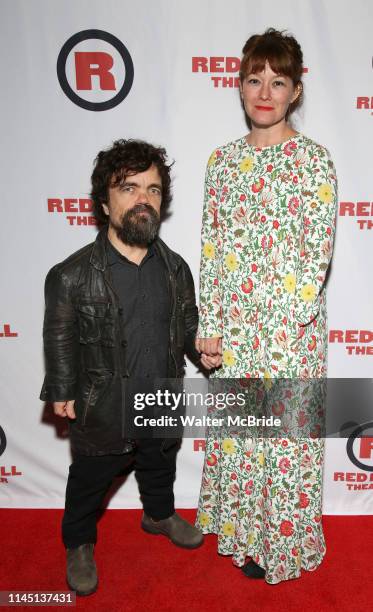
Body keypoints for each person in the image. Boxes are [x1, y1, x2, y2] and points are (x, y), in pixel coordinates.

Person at [40, 139, 217, 596]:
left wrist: (202, 349)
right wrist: (61, 387)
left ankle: (158, 514)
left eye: (154, 190)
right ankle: (78, 542)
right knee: (90, 479)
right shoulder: (71, 274)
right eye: (129, 187)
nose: (144, 199)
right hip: (103, 399)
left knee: (159, 462)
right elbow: (59, 336)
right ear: (105, 202)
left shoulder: (176, 269)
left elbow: (188, 323)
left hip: (161, 393)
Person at [195, 29, 338, 584]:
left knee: (284, 445)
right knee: (241, 436)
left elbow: (315, 258)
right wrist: (211, 327)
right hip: (233, 332)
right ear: (239, 85)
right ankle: (243, 535)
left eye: (278, 81)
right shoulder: (222, 163)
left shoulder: (314, 162)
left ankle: (281, 544)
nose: (265, 91)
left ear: (296, 91)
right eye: (254, 79)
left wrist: (281, 330)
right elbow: (213, 249)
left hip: (289, 336)